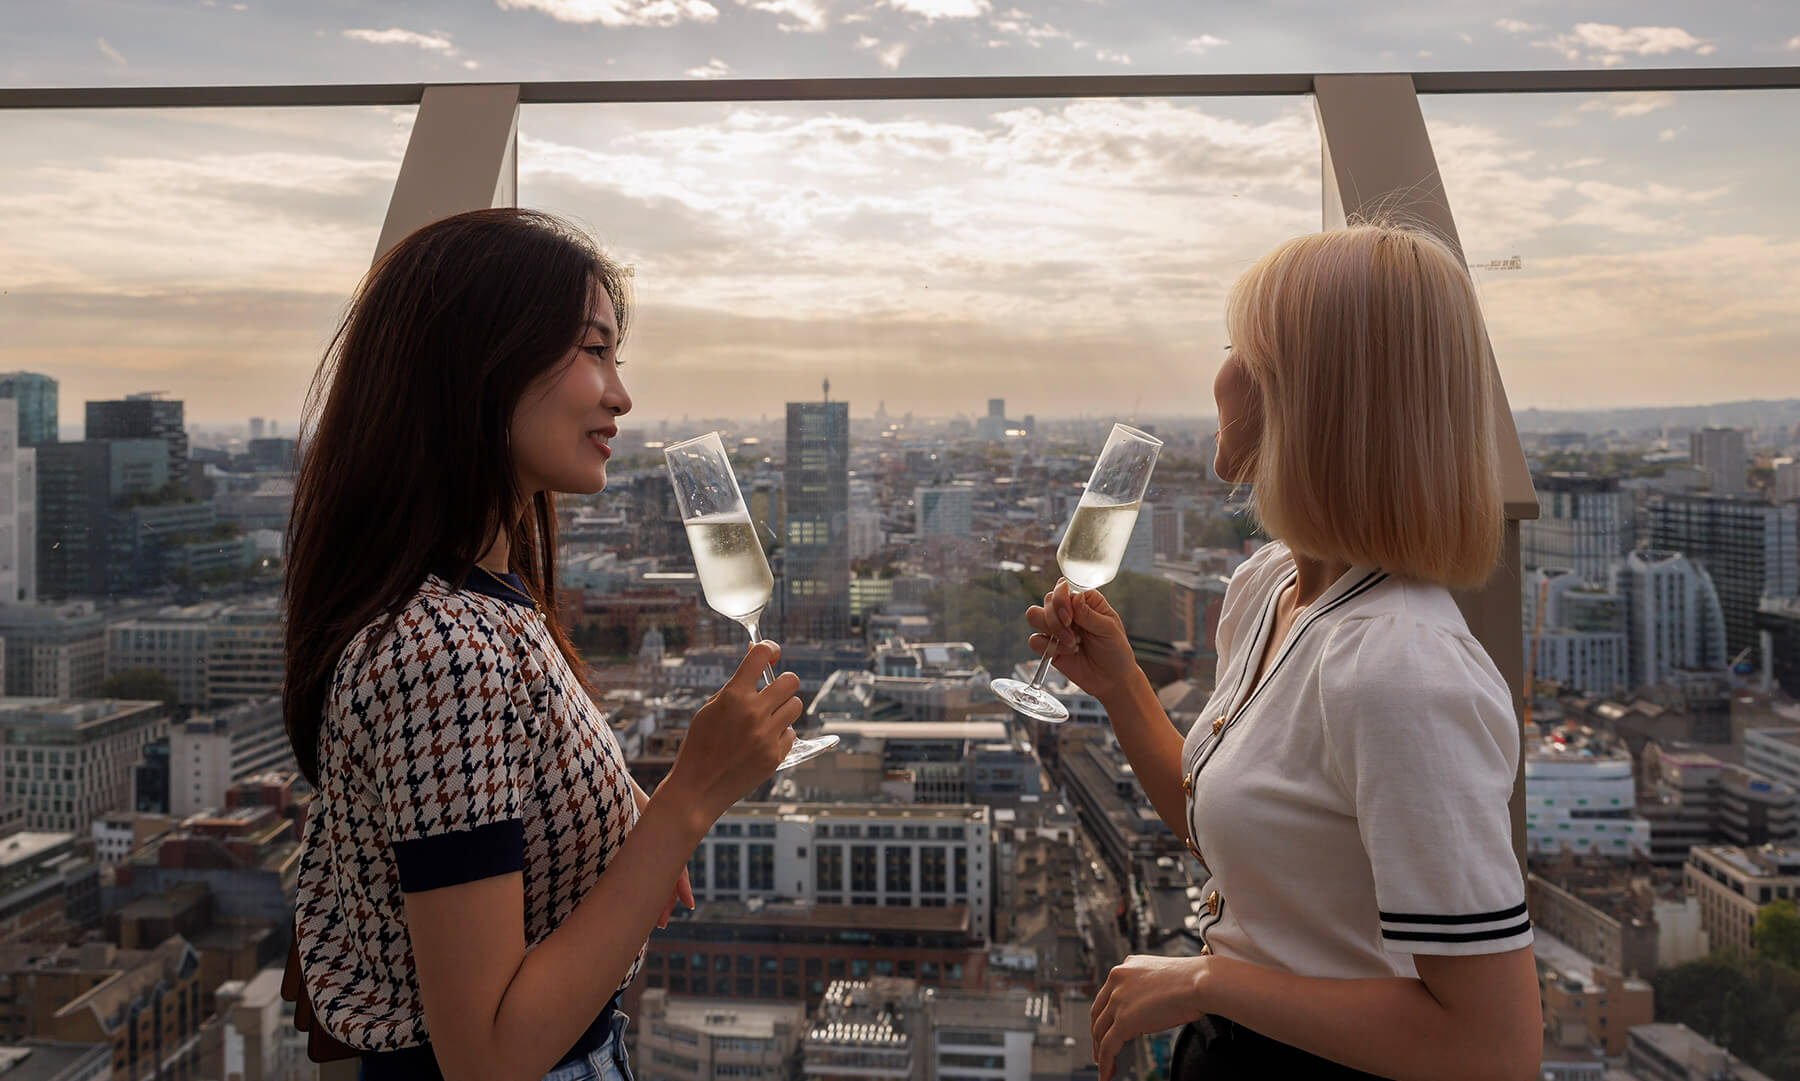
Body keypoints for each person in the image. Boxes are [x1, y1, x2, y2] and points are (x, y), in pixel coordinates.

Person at [282, 208, 800, 1081]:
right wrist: (686, 799)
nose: (620, 394)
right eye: (592, 350)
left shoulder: (485, 601)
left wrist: (623, 841)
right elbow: (486, 1057)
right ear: (480, 362)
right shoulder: (439, 649)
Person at [1029, 223, 1542, 1081]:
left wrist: (1210, 980)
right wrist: (1121, 687)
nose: (1220, 372)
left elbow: (1492, 1050)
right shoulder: (1269, 589)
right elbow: (1231, 836)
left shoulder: (1399, 669)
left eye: (1240, 347)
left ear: (1308, 395)